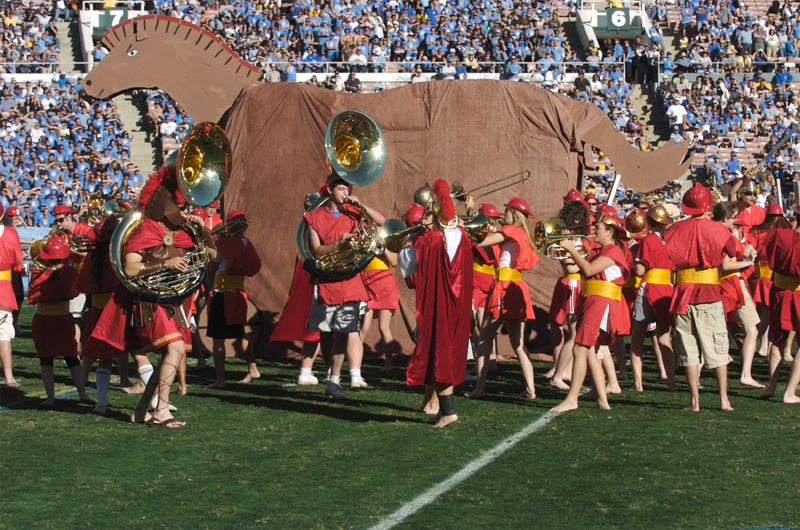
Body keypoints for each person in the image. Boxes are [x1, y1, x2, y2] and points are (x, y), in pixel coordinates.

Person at [122, 166, 217, 427]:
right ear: (166, 205)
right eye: (183, 206)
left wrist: (202, 230)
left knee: (170, 356)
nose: (188, 212)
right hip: (150, 303)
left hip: (173, 302)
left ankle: (142, 410)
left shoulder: (184, 233)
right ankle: (162, 411)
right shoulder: (145, 230)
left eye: (189, 207)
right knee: (175, 350)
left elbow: (212, 255)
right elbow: (130, 268)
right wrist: (166, 264)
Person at [399, 179, 473, 428]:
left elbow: (408, 267)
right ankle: (443, 410)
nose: (425, 217)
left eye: (429, 212)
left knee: (439, 354)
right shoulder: (462, 236)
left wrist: (407, 243)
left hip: (439, 304)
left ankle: (449, 412)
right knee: (448, 355)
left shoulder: (428, 239)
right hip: (459, 305)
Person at [305, 176, 385, 398]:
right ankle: (331, 373)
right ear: (330, 190)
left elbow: (381, 222)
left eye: (347, 189)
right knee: (326, 333)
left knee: (344, 330)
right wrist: (339, 243)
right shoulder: (314, 217)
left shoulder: (354, 211)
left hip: (351, 282)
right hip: (327, 281)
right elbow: (316, 251)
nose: (345, 193)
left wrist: (361, 205)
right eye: (341, 188)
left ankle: (334, 380)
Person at [665, 182, 737, 412]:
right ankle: (724, 400)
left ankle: (694, 401)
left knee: (688, 349)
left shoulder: (674, 229)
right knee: (717, 347)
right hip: (708, 292)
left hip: (682, 292)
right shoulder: (718, 229)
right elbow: (735, 252)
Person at [550, 213, 631, 412]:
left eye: (599, 228)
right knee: (592, 353)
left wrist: (571, 248)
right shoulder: (602, 251)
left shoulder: (612, 250)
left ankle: (571, 400)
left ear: (610, 232)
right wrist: (567, 251)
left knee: (580, 349)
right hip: (592, 301)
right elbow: (579, 267)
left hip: (600, 303)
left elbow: (587, 270)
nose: (594, 231)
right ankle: (602, 400)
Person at [466, 196, 539, 400]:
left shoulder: (511, 230)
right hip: (517, 287)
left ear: (514, 215)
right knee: (518, 342)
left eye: (506, 211)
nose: (502, 214)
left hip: (503, 287)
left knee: (484, 340)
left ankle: (479, 388)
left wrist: (473, 217)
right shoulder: (522, 233)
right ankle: (531, 389)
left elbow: (481, 240)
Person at [28, 236, 94, 406]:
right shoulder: (69, 272)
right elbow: (73, 293)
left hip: (44, 319)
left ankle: (51, 398)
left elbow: (34, 296)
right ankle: (82, 394)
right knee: (72, 357)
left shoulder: (39, 273)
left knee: (46, 359)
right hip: (64, 318)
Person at [77, 216, 132, 414]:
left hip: (96, 311)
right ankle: (158, 403)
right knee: (137, 353)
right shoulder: (115, 255)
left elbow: (81, 285)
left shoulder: (92, 256)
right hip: (115, 312)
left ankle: (101, 403)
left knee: (103, 359)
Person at [206, 211, 263, 388]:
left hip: (223, 293)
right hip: (238, 293)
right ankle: (253, 368)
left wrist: (210, 251)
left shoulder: (225, 244)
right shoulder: (248, 244)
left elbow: (212, 269)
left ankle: (220, 380)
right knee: (239, 333)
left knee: (217, 337)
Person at [271, 193, 322, 385]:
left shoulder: (305, 229)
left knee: (321, 328)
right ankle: (309, 370)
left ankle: (314, 370)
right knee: (317, 327)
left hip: (315, 279)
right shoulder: (311, 227)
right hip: (317, 280)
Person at [713, 203, 763, 388]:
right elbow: (726, 265)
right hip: (730, 283)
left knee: (718, 327)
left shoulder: (715, 232)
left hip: (721, 283)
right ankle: (746, 374)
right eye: (733, 218)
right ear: (725, 218)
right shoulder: (724, 235)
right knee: (750, 329)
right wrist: (748, 262)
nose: (736, 221)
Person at [628, 204, 677, 392]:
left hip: (649, 288)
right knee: (664, 339)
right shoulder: (670, 240)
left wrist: (634, 253)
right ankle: (671, 382)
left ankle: (638, 383)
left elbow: (640, 270)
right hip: (667, 290)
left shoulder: (649, 240)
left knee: (637, 340)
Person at [546, 200, 591, 390]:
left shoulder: (571, 238)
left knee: (573, 332)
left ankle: (567, 370)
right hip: (573, 282)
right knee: (574, 334)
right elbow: (571, 265)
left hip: (571, 282)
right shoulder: (574, 239)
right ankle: (559, 374)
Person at [758, 216, 800, 403]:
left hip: (779, 292)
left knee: (777, 339)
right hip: (797, 293)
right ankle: (790, 392)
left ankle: (771, 386)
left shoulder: (778, 235)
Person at [360, 248, 399, 372]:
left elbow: (394, 262)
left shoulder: (389, 238)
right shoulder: (366, 238)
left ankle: (388, 363)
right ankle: (355, 363)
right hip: (367, 283)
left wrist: (384, 248)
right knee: (364, 327)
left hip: (385, 284)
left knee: (383, 327)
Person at [0, 204, 23, 387]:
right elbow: (17, 259)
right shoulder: (10, 233)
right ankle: (9, 377)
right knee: (3, 334)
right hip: (3, 288)